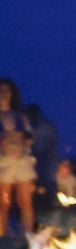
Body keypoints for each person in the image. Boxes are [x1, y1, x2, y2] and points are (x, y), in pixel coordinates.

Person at [0, 79, 35, 236]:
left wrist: (23, 147)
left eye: (7, 90)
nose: (4, 94)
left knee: (25, 201)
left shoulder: (21, 117)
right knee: (3, 203)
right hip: (3, 162)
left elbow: (29, 136)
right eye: (1, 90)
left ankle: (30, 237)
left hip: (22, 162)